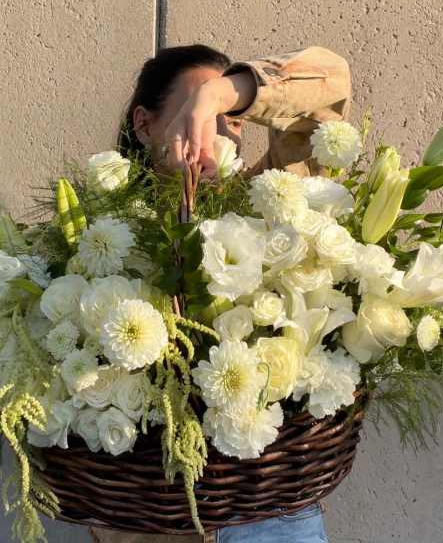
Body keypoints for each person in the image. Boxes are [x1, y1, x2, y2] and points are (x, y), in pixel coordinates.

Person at [89, 43, 351, 543]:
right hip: (153, 519)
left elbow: (331, 84)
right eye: (197, 115)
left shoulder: (267, 201)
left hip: (268, 515)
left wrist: (215, 95)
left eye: (232, 118)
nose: (223, 133)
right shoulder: (99, 240)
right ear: (145, 125)